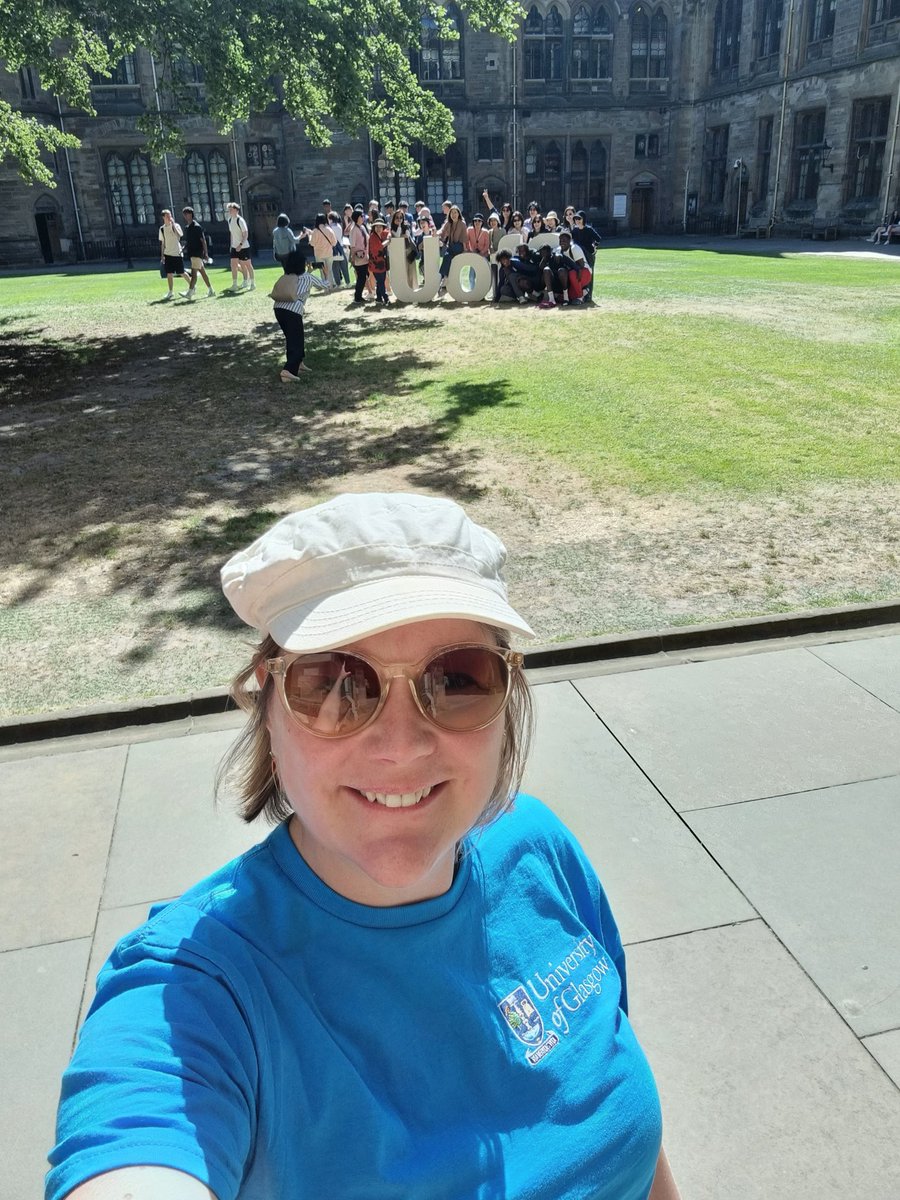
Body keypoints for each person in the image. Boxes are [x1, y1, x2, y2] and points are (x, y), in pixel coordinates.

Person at [46, 490, 681, 1200]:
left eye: (457, 679)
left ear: (509, 694)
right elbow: (136, 1145)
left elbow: (627, 1122)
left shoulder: (540, 852)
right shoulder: (199, 987)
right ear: (268, 703)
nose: (401, 745)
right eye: (337, 683)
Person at [269, 248, 329, 381]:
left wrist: (309, 271)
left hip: (279, 308)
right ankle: (288, 370)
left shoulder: (288, 276)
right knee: (296, 340)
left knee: (291, 338)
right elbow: (325, 285)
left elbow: (299, 281)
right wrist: (326, 273)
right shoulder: (308, 277)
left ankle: (298, 364)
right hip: (293, 311)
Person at [179, 207, 215, 299]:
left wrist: (206, 253)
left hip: (197, 253)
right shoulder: (188, 227)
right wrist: (184, 248)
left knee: (194, 274)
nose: (185, 216)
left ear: (191, 214)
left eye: (186, 214)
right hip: (192, 253)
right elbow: (189, 241)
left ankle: (190, 292)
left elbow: (203, 241)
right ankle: (211, 290)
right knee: (202, 272)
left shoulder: (196, 227)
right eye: (184, 214)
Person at [157, 208, 191, 302]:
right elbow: (163, 243)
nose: (169, 217)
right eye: (167, 216)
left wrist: (173, 226)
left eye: (170, 215)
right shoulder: (162, 229)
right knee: (169, 273)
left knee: (181, 272)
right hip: (168, 253)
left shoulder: (176, 225)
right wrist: (162, 255)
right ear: (163, 217)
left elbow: (180, 235)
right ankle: (170, 291)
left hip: (177, 253)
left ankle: (192, 286)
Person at [571, 210, 601, 300]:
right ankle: (581, 293)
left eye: (579, 218)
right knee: (580, 273)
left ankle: (589, 295)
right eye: (576, 219)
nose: (577, 220)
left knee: (590, 274)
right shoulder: (575, 230)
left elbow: (598, 238)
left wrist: (594, 247)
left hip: (588, 254)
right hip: (579, 256)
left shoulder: (589, 229)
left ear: (583, 219)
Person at [226, 202, 255, 292]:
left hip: (244, 247)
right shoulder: (230, 220)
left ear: (236, 210)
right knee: (233, 264)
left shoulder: (240, 220)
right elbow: (231, 233)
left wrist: (241, 245)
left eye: (231, 209)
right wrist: (232, 245)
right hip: (234, 247)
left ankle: (252, 283)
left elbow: (245, 234)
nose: (229, 211)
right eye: (229, 209)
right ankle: (235, 284)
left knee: (247, 265)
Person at [438, 203, 467, 289]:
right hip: (450, 247)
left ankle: (444, 277)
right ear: (449, 214)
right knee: (447, 257)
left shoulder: (462, 223)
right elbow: (442, 232)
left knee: (449, 252)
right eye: (452, 213)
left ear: (459, 214)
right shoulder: (448, 223)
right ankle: (445, 277)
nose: (453, 215)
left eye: (455, 212)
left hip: (459, 246)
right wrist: (436, 234)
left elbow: (464, 238)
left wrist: (465, 250)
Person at [308, 213, 337, 285]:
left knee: (322, 271)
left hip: (319, 254)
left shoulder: (315, 231)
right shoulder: (329, 230)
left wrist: (309, 236)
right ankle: (331, 284)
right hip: (329, 253)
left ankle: (325, 285)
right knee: (329, 270)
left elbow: (312, 243)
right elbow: (334, 243)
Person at [349, 208, 370, 303]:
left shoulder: (362, 227)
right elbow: (352, 245)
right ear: (357, 218)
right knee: (361, 277)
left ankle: (359, 296)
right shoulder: (354, 230)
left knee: (363, 276)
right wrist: (353, 258)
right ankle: (357, 297)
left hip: (365, 256)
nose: (363, 217)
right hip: (359, 257)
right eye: (361, 216)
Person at [368, 216, 390, 304]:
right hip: (375, 264)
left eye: (380, 226)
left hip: (382, 263)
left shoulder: (383, 234)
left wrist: (389, 236)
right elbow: (380, 246)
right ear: (374, 227)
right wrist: (388, 241)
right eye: (376, 226)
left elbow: (389, 233)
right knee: (381, 281)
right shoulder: (373, 237)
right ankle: (386, 298)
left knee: (381, 281)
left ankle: (378, 299)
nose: (378, 228)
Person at [328, 212, 351, 287]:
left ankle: (338, 283)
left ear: (331, 219)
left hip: (334, 248)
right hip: (341, 247)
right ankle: (348, 282)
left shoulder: (330, 227)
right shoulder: (339, 226)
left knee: (335, 267)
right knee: (344, 267)